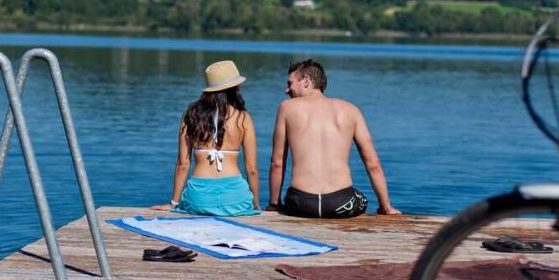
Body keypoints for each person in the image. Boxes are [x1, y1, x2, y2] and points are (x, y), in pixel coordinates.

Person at [268, 59, 401, 218]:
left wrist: (274, 204)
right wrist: (386, 207)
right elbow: (373, 164)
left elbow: (277, 163)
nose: (286, 90)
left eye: (290, 84)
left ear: (306, 81)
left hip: (301, 203)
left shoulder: (287, 108)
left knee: (290, 199)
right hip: (340, 203)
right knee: (361, 200)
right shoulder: (351, 110)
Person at [153, 60, 261, 216]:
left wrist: (173, 203)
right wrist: (255, 203)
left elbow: (183, 164)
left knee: (191, 199)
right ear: (234, 89)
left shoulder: (191, 116)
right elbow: (252, 169)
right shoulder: (243, 118)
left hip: (199, 198)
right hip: (235, 199)